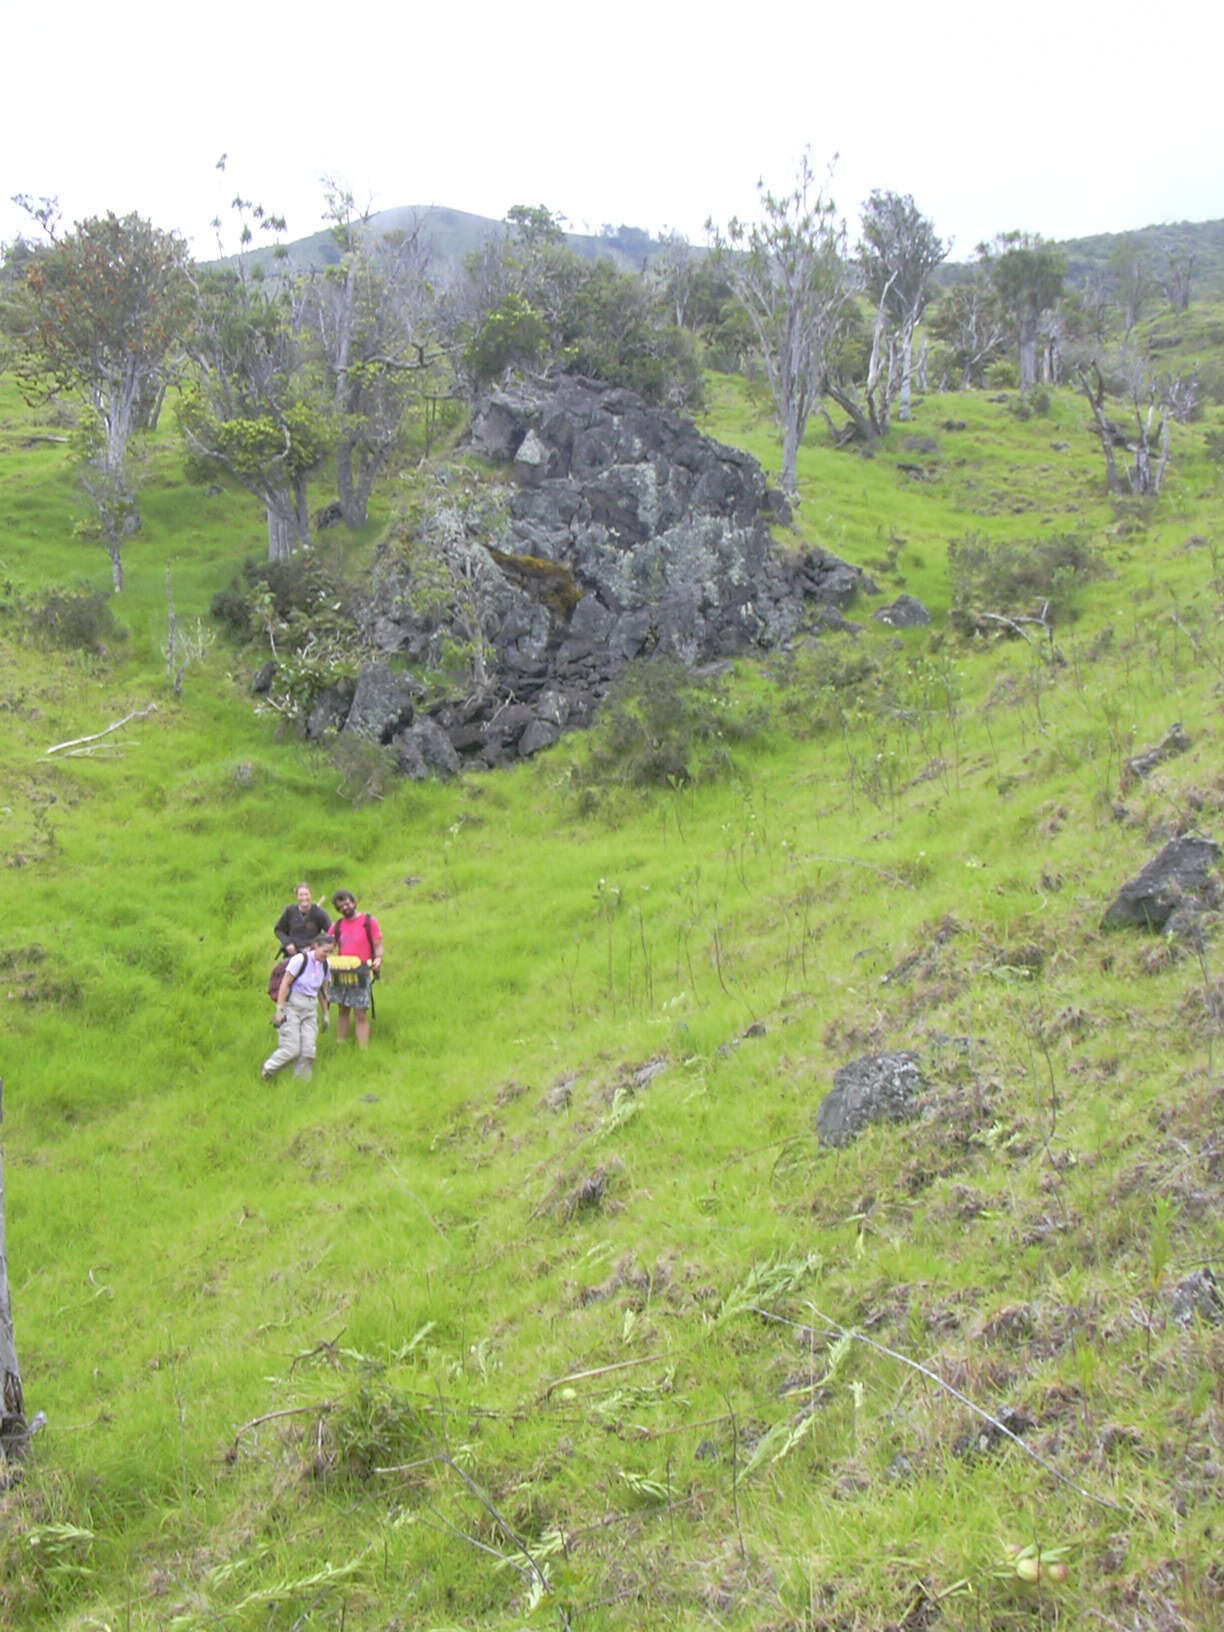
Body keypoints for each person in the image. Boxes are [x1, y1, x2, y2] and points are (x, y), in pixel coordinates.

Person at [262, 934, 334, 1082]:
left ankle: (301, 1084)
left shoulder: (326, 965)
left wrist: (326, 1013)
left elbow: (323, 990)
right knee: (291, 1049)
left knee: (308, 1051)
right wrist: (280, 1010)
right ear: (316, 946)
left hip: (310, 1008)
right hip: (292, 1006)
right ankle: (268, 1070)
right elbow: (285, 984)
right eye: (325, 951)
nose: (327, 955)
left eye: (330, 952)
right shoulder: (300, 960)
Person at [328, 889, 383, 1049]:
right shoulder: (337, 926)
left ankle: (363, 1050)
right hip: (341, 971)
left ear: (353, 901)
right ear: (338, 910)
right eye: (341, 906)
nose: (345, 907)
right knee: (343, 1009)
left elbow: (378, 945)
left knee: (360, 1012)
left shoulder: (368, 921)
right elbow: (328, 945)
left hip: (361, 971)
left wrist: (378, 959)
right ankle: (341, 1044)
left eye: (347, 903)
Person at [273, 882, 331, 957]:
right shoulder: (290, 911)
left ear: (311, 895)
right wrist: (288, 943)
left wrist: (314, 946)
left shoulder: (319, 912)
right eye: (301, 895)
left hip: (312, 954)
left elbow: (330, 932)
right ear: (297, 896)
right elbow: (279, 930)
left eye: (306, 894)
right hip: (292, 954)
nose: (304, 898)